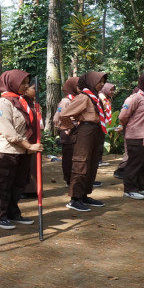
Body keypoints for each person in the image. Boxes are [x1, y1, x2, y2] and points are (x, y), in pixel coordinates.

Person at [0, 71, 42, 225]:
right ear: (12, 83)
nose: (26, 86)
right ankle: (0, 217)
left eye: (27, 83)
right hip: (6, 151)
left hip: (24, 150)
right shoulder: (3, 103)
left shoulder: (24, 101)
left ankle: (13, 213)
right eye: (23, 83)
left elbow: (33, 123)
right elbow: (8, 131)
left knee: (18, 184)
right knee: (3, 185)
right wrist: (29, 145)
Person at [60, 71, 108, 212]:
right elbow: (64, 115)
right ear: (92, 82)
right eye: (100, 81)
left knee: (92, 163)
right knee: (81, 162)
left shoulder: (95, 97)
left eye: (104, 82)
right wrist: (72, 127)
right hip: (86, 130)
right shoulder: (84, 97)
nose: (102, 84)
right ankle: (75, 198)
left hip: (95, 131)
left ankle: (84, 195)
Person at [53, 77, 80, 186]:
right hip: (68, 131)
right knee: (68, 157)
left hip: (76, 131)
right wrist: (69, 126)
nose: (80, 88)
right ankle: (69, 179)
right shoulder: (66, 101)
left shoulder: (77, 99)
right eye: (78, 86)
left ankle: (75, 178)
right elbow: (58, 117)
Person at [21, 79, 43, 199]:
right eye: (34, 88)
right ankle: (26, 189)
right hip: (26, 137)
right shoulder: (22, 101)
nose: (37, 91)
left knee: (34, 163)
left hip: (35, 137)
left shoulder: (33, 102)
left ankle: (35, 189)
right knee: (27, 163)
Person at [98, 83, 116, 168]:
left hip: (102, 122)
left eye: (113, 90)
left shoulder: (107, 98)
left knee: (100, 140)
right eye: (110, 90)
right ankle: (97, 160)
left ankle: (99, 160)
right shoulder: (100, 97)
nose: (112, 92)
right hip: (98, 122)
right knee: (98, 141)